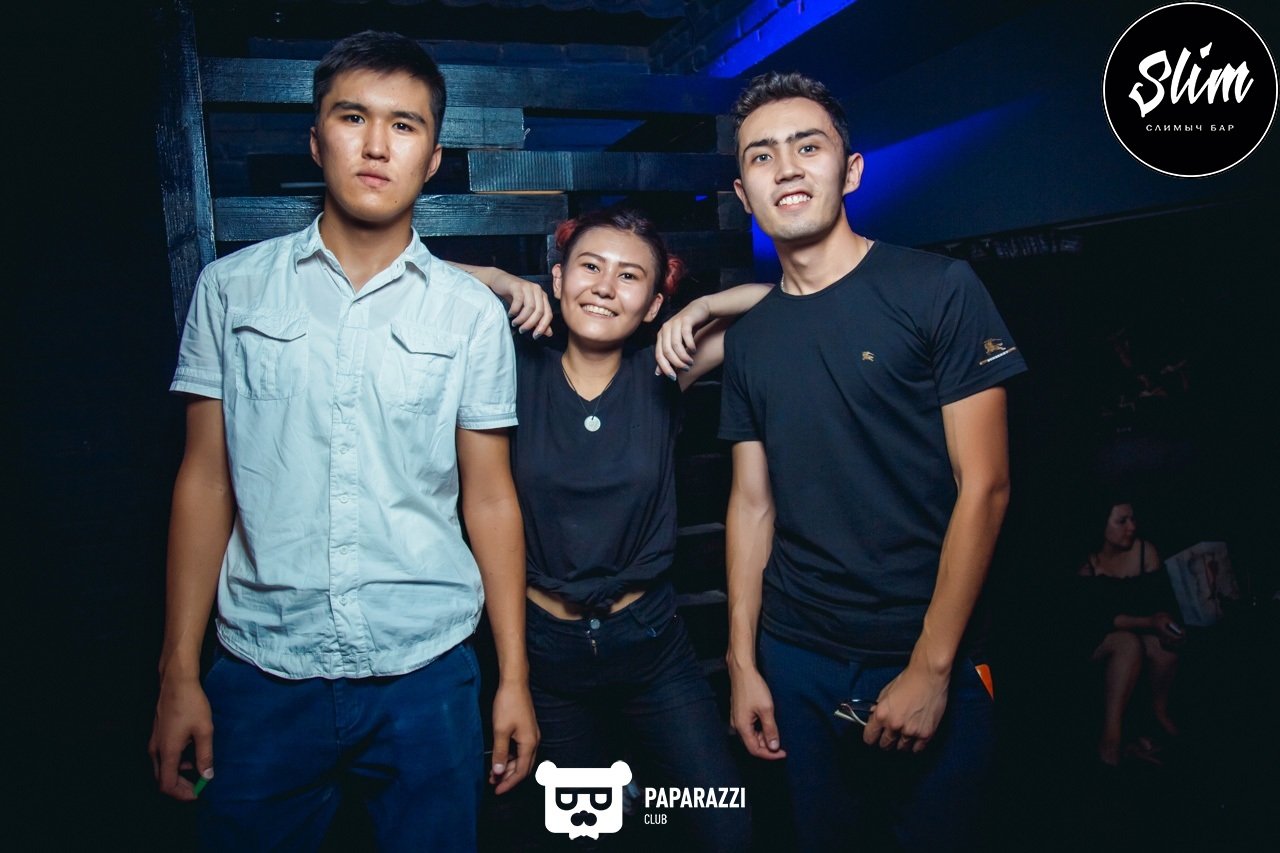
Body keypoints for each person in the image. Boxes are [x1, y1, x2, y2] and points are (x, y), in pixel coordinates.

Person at [147, 31, 538, 851]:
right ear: (316, 137)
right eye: (353, 117)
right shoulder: (231, 290)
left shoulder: (469, 314)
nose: (376, 144)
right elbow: (206, 481)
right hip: (262, 670)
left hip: (427, 671)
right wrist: (178, 669)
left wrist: (514, 676)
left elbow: (490, 496)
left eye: (405, 124)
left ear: (432, 157)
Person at [717, 72, 1028, 851]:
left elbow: (985, 487)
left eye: (808, 146)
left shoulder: (938, 289)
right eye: (762, 155)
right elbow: (752, 503)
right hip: (795, 651)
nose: (787, 167)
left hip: (923, 646)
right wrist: (742, 659)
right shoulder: (750, 340)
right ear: (744, 193)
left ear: (850, 170)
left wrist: (931, 667)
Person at [458, 208, 765, 849]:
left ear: (652, 306)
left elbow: (789, 299)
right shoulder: (511, 365)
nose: (604, 286)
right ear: (558, 279)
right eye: (590, 267)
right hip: (545, 655)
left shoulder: (664, 370)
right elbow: (404, 274)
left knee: (722, 824)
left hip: (652, 644)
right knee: (588, 837)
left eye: (629, 277)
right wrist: (497, 279)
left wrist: (703, 307)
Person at [1076, 499, 1183, 766]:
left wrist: (1164, 622)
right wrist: (1150, 622)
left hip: (1141, 628)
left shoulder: (1145, 552)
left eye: (1132, 519)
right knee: (1128, 644)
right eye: (1122, 521)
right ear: (1101, 526)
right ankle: (1110, 738)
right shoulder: (1088, 564)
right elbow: (1099, 618)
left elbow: (1159, 601)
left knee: (1164, 648)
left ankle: (1157, 714)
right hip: (1095, 636)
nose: (1131, 527)